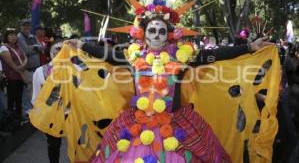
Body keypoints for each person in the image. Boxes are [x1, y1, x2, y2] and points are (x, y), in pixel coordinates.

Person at [67, 11, 271, 162]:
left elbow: (215, 55)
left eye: (161, 31)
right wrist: (82, 45)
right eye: (152, 30)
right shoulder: (132, 57)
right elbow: (108, 56)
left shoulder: (182, 57)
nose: (156, 35)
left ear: (169, 35)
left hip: (176, 124)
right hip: (137, 124)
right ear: (143, 33)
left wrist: (249, 47)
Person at [32, 38, 63, 163]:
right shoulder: (40, 72)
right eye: (57, 48)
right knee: (54, 146)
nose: (60, 52)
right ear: (50, 51)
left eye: (64, 49)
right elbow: (36, 98)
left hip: (71, 115)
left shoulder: (77, 70)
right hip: (51, 116)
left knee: (76, 145)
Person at [0, 29, 28, 124]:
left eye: (15, 35)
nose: (13, 37)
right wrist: (21, 72)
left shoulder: (18, 47)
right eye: (11, 35)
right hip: (12, 77)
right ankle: (11, 120)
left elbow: (25, 58)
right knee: (12, 99)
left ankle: (19, 117)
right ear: (6, 37)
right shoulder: (4, 48)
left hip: (20, 75)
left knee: (19, 98)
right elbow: (11, 64)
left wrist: (23, 66)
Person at [17, 19, 42, 114]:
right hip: (28, 69)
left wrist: (34, 48)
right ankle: (33, 112)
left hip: (37, 67)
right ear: (21, 26)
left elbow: (41, 48)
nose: (26, 27)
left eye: (28, 25)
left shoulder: (32, 36)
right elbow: (26, 51)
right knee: (31, 91)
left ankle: (38, 109)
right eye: (24, 25)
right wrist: (36, 48)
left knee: (38, 89)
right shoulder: (19, 37)